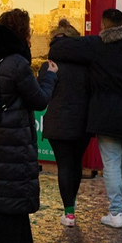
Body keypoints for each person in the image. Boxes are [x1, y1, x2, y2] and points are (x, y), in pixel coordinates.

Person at [49, 9, 122, 229]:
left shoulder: (99, 45)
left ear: (103, 26)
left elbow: (60, 48)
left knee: (112, 161)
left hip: (108, 115)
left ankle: (115, 213)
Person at [0, 9, 57, 243]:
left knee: (11, 206)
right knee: (10, 208)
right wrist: (50, 76)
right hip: (13, 144)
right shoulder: (17, 63)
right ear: (23, 32)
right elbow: (40, 100)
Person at [39, 20, 89, 226]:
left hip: (58, 123)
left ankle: (69, 212)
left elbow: (43, 92)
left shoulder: (48, 66)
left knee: (65, 165)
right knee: (75, 164)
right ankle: (71, 204)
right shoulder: (87, 66)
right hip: (83, 122)